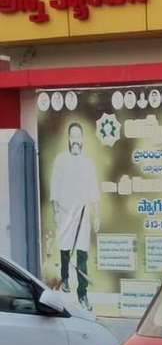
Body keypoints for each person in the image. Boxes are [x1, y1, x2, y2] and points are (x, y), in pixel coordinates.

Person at [50, 122, 100, 311]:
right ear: (69, 139)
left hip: (83, 217)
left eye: (78, 136)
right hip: (64, 214)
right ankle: (64, 280)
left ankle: (83, 293)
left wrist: (97, 216)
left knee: (81, 255)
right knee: (64, 251)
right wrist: (55, 211)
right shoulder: (60, 160)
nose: (75, 141)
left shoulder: (89, 163)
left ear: (82, 139)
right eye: (72, 137)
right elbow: (55, 185)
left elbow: (94, 191)